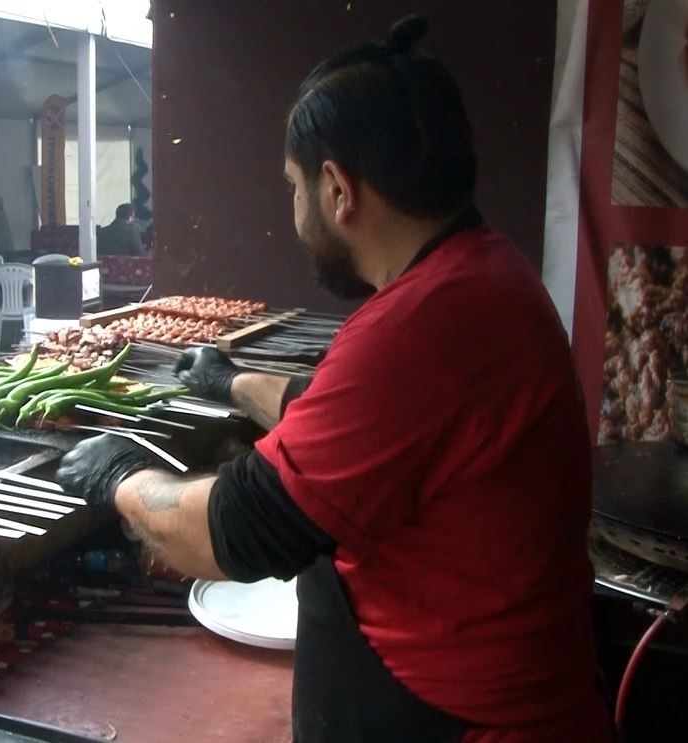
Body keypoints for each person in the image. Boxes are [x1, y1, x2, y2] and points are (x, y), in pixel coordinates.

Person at [55, 17, 613, 743]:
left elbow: (234, 533)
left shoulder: (417, 330)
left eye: (292, 187)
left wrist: (119, 472)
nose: (294, 209)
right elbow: (367, 435)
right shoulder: (483, 275)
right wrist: (231, 381)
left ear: (337, 190)